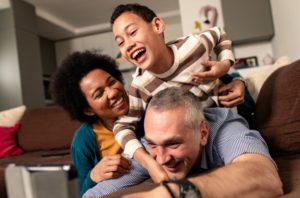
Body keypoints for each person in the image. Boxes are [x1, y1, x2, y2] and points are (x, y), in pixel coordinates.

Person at [110, 3, 253, 183]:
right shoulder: (140, 86)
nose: (128, 44)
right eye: (120, 42)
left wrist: (224, 65)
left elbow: (219, 34)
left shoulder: (193, 45)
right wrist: (149, 163)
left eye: (132, 32)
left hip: (224, 117)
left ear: (157, 26)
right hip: (190, 138)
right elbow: (122, 126)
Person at [124, 87, 283, 197]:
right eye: (152, 144)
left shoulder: (226, 129)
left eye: (173, 144)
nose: (161, 159)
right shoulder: (151, 144)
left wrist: (174, 193)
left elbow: (265, 177)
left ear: (203, 133)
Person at [50, 51, 149, 197]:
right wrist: (94, 176)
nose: (112, 93)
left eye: (111, 82)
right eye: (99, 94)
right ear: (88, 110)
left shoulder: (147, 107)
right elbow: (83, 193)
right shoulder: (83, 140)